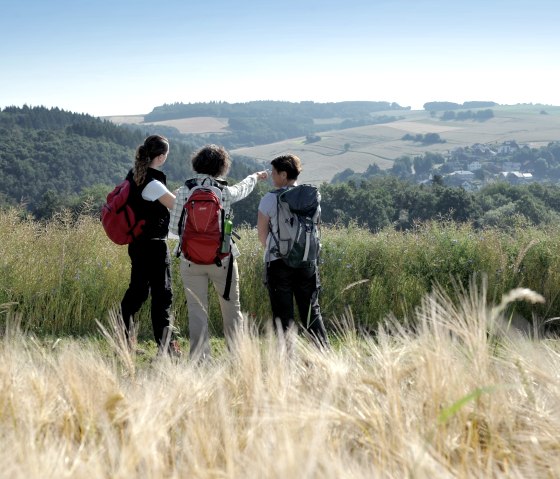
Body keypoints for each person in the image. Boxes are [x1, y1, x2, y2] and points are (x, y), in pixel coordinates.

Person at [170, 144, 268, 361]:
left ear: (197, 164)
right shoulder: (224, 191)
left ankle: (199, 359)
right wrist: (254, 176)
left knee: (197, 310)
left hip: (190, 260)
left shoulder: (184, 191)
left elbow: (174, 228)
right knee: (232, 308)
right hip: (222, 258)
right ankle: (236, 356)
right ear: (222, 167)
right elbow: (243, 188)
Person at [257, 154, 329, 349]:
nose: (272, 177)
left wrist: (277, 250)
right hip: (307, 260)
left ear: (283, 174)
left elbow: (262, 234)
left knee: (283, 316)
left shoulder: (270, 199)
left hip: (278, 262)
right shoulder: (312, 198)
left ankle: (287, 363)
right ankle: (324, 358)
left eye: (274, 173)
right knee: (311, 313)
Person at [120, 134, 181, 356]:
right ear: (162, 157)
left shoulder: (134, 176)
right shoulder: (153, 183)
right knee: (162, 296)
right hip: (154, 246)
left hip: (137, 245)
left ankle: (122, 341)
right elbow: (176, 206)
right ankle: (167, 348)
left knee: (136, 293)